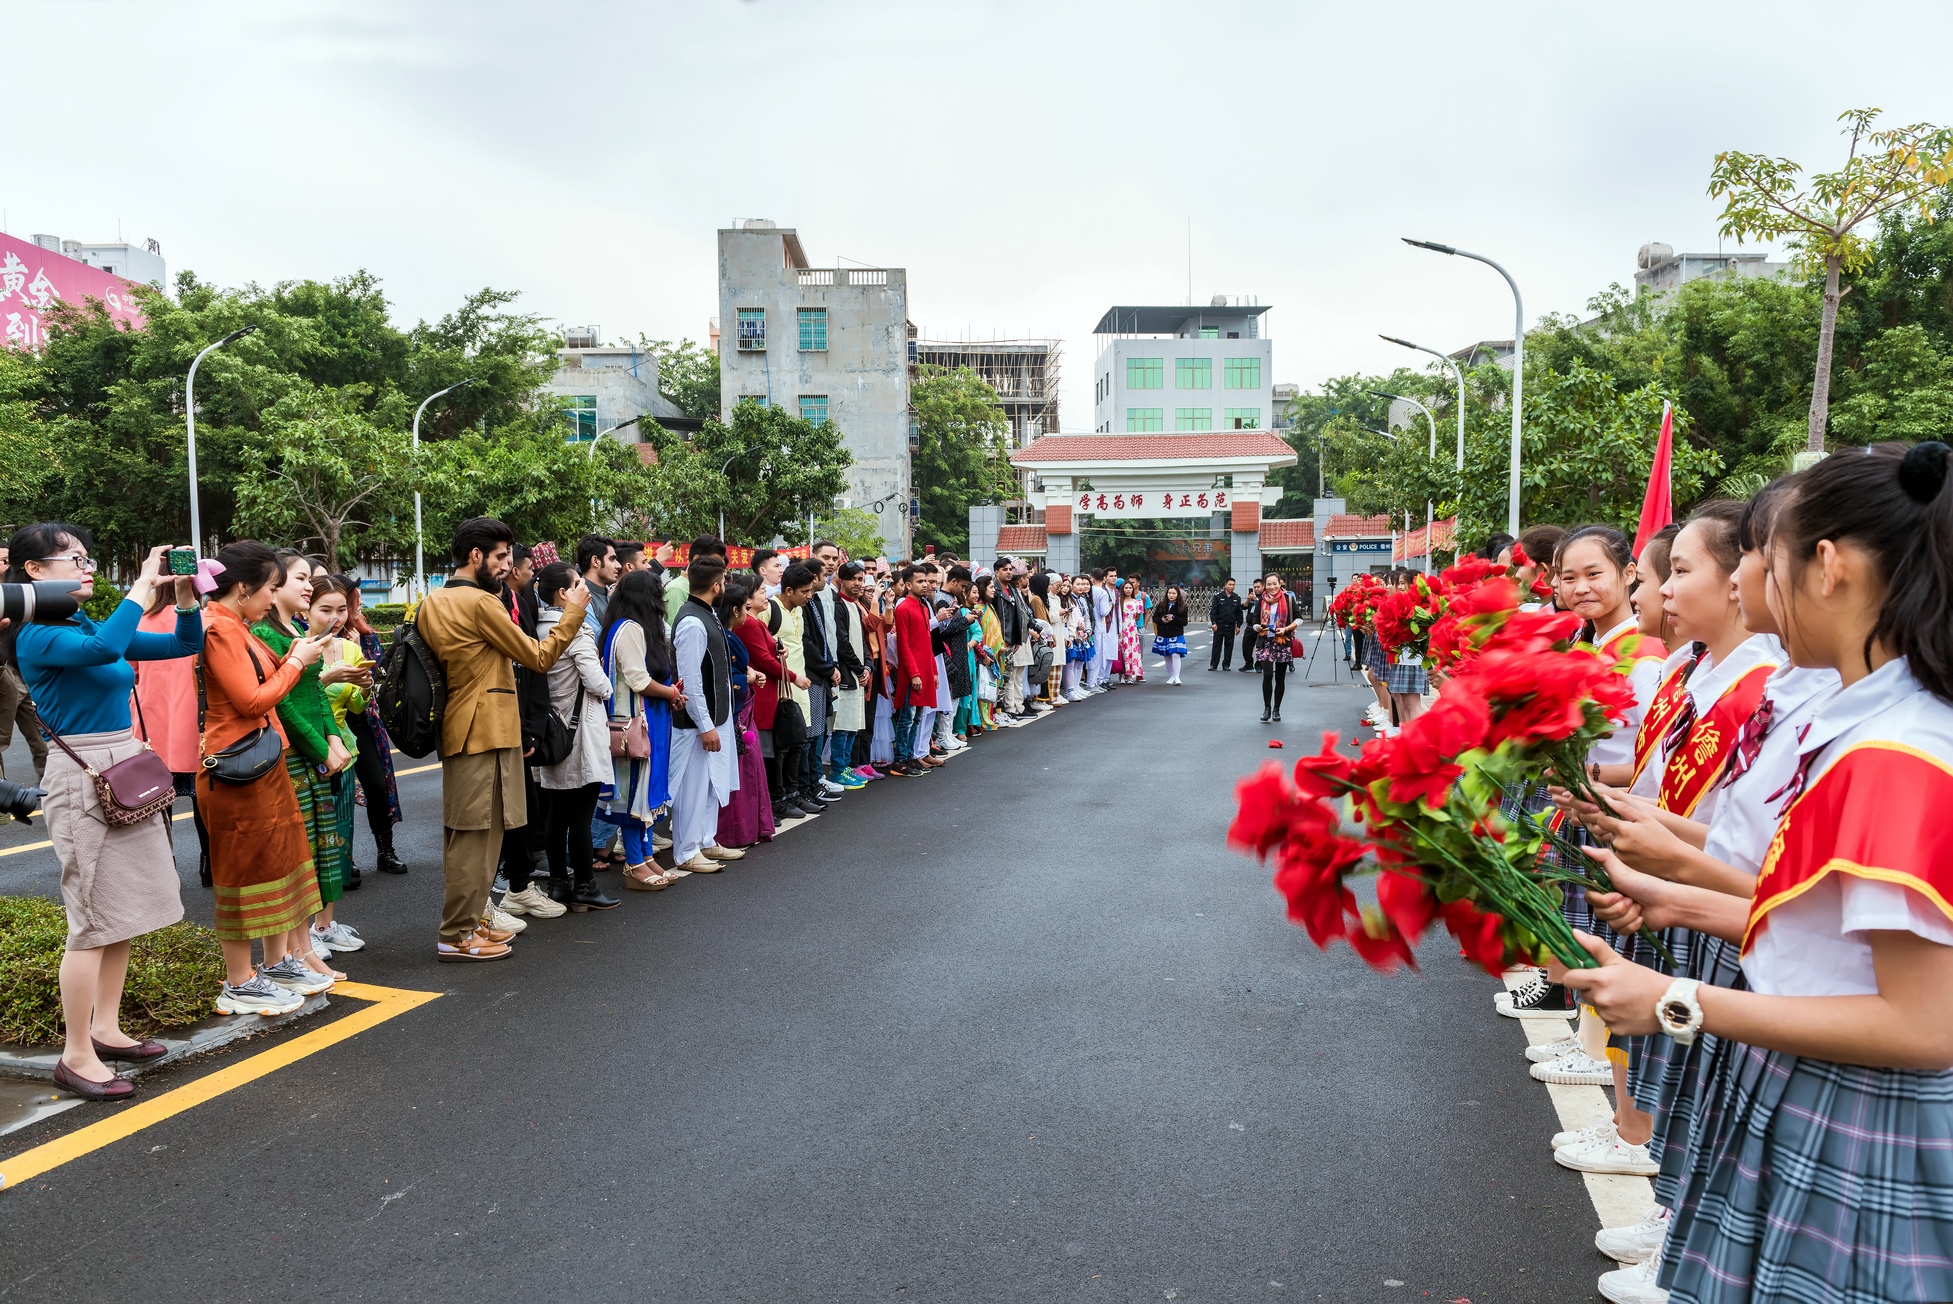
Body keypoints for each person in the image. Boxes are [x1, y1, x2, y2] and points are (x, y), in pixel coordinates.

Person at [1567, 441, 1953, 1304]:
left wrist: (1673, 1001)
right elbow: (1839, 933)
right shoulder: (1883, 725)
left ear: (1829, 567)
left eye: (1759, 555)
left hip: (1861, 1104)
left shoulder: (1897, 753)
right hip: (1820, 1068)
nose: (1750, 579)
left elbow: (1926, 1024)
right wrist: (1681, 900)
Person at [9, 529, 203, 1099]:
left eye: (87, 558)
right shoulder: (38, 635)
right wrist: (143, 586)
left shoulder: (84, 624)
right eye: (74, 559)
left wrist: (185, 598)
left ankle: (106, 1028)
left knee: (122, 909)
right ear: (34, 571)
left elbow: (177, 647)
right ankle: (75, 1055)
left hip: (122, 762)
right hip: (83, 774)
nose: (87, 567)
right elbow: (104, 653)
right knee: (92, 918)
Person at [418, 518, 589, 962]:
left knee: (483, 834)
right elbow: (537, 655)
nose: (505, 567)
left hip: (474, 727)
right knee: (475, 837)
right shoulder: (479, 603)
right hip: (482, 731)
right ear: (475, 556)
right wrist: (573, 613)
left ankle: (471, 923)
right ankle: (456, 934)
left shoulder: (434, 600)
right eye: (499, 558)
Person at [193, 541, 336, 1013]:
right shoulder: (219, 629)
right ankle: (240, 981)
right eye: (272, 588)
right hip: (237, 766)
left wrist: (298, 653)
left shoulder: (238, 625)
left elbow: (268, 683)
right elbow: (252, 700)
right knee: (242, 872)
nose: (274, 598)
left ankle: (273, 965)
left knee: (279, 862)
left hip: (259, 761)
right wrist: (297, 661)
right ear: (242, 588)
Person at [252, 554, 365, 976]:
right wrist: (323, 748)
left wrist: (333, 739)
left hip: (311, 753)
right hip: (291, 755)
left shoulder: (293, 631)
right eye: (299, 578)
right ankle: (292, 956)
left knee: (311, 854)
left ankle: (304, 951)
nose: (308, 585)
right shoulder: (263, 633)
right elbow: (282, 702)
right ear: (273, 585)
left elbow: (314, 693)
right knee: (295, 857)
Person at [523, 560, 618, 912]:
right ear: (564, 593)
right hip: (580, 734)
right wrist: (608, 686)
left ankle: (560, 884)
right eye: (578, 583)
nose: (585, 588)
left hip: (551, 734)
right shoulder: (574, 630)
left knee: (556, 815)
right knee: (580, 814)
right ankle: (586, 886)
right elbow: (598, 684)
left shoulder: (534, 627)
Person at [599, 568, 682, 890]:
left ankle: (645, 856)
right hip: (638, 723)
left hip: (647, 719)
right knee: (637, 793)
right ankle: (635, 863)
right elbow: (638, 679)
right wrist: (672, 693)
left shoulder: (618, 627)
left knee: (645, 792)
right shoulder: (631, 629)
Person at [667, 555, 742, 872]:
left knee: (713, 781)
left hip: (716, 717)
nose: (725, 585)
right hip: (698, 722)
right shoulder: (693, 621)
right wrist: (705, 725)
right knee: (693, 786)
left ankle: (706, 840)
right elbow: (690, 682)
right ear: (716, 585)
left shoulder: (706, 614)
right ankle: (686, 851)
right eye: (724, 580)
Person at [339, 582, 405, 877]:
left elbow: (377, 672)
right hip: (328, 722)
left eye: (342, 608)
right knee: (337, 795)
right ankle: (343, 858)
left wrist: (355, 647)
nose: (360, 602)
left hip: (361, 718)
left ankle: (385, 850)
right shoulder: (308, 637)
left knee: (377, 786)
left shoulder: (363, 635)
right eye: (355, 598)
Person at [716, 573, 777, 847]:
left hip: (743, 708)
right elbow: (724, 673)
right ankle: (736, 830)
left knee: (749, 768)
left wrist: (750, 672)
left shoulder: (729, 634)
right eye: (745, 605)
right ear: (735, 609)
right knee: (740, 770)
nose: (748, 610)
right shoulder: (723, 635)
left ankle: (751, 826)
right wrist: (748, 677)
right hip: (735, 710)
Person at [0, 544, 48, 786]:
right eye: (3, 560)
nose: (8, 565)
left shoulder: (22, 592)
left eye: (10, 560)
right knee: (1, 738)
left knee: (40, 731)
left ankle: (50, 782)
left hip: (23, 671)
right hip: (3, 673)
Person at [889, 564, 938, 777]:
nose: (925, 584)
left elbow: (927, 642)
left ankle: (910, 756)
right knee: (907, 717)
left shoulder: (924, 606)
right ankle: (900, 760)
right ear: (908, 585)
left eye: (926, 580)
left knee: (918, 717)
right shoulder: (903, 608)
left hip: (925, 668)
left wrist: (933, 670)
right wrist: (915, 674)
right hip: (912, 672)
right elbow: (904, 646)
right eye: (920, 581)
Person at [1251, 571, 1299, 723]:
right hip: (1265, 641)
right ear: (1265, 585)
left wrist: (1286, 629)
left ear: (1280, 584)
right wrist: (1258, 627)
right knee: (1267, 676)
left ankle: (1277, 709)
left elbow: (1299, 619)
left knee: (1280, 677)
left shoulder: (1288, 599)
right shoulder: (1261, 600)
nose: (1272, 587)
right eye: (1269, 584)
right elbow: (1253, 621)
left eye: (1274, 583)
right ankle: (1267, 708)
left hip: (1282, 641)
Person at [576, 535, 619, 629]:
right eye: (612, 559)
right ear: (595, 561)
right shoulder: (582, 598)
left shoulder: (606, 593)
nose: (618, 565)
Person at [1153, 584, 1189, 684]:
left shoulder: (1182, 607)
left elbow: (1184, 622)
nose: (1171, 595)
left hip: (1176, 634)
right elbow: (1155, 618)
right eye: (1169, 593)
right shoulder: (1161, 605)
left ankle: (1177, 677)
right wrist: (1162, 620)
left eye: (1173, 593)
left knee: (1175, 654)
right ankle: (1172, 676)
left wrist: (1173, 617)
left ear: (1178, 595)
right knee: (1167, 656)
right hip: (1163, 634)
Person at [1209, 577, 1243, 671]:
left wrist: (1238, 626)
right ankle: (1213, 664)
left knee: (1229, 646)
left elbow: (1239, 614)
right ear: (1225, 585)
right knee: (1216, 646)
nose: (1231, 586)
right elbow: (1213, 612)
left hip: (1230, 626)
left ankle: (1226, 665)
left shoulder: (1236, 598)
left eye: (1233, 585)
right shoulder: (1218, 597)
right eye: (1229, 584)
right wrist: (1214, 623)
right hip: (1219, 626)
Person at [1238, 577, 1264, 671]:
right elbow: (1243, 607)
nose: (1256, 589)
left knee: (1260, 647)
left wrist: (1256, 600)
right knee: (1246, 646)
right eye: (1255, 587)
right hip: (1249, 626)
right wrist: (1248, 600)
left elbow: (1264, 606)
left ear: (1263, 587)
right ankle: (1248, 663)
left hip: (1259, 626)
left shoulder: (1265, 597)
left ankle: (1259, 665)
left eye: (1258, 587)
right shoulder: (1252, 597)